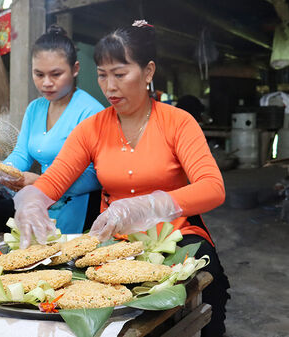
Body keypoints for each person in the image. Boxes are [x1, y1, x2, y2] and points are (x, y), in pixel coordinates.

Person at [13, 20, 229, 337]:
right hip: (114, 239)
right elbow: (54, 180)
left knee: (210, 286)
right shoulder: (92, 128)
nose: (110, 87)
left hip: (175, 235)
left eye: (120, 74)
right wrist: (32, 202)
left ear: (148, 71)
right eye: (102, 75)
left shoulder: (178, 123)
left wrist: (151, 205)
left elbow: (213, 188)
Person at [0, 25, 104, 234]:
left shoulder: (91, 112)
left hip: (78, 204)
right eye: (38, 74)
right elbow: (21, 155)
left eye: (56, 74)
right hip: (40, 198)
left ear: (75, 69)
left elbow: (96, 175)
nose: (46, 83)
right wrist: (0, 172)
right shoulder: (35, 108)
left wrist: (44, 182)